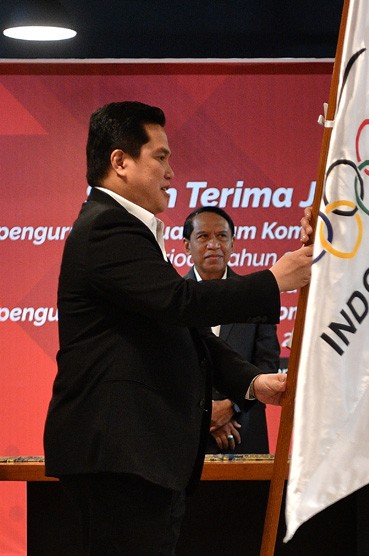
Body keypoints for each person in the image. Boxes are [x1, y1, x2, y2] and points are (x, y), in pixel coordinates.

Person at [43, 101, 312, 554]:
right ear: (120, 162)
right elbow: (180, 302)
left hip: (140, 456)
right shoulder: (107, 227)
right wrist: (274, 281)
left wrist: (251, 381)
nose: (171, 171)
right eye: (161, 157)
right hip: (119, 453)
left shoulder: (130, 231)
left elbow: (184, 332)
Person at [183, 206, 278, 454]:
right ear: (186, 245)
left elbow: (267, 363)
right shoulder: (170, 299)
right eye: (203, 237)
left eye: (222, 236)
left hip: (245, 431)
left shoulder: (255, 296)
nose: (213, 244)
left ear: (233, 244)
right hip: (186, 437)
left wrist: (231, 406)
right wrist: (207, 415)